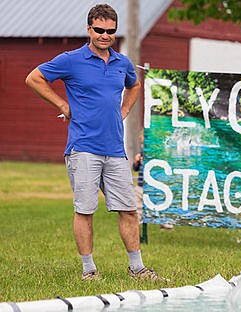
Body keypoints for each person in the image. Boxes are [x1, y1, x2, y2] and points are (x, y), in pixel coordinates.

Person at [25, 4, 166, 282]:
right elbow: (34, 78)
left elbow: (134, 85)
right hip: (83, 148)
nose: (104, 35)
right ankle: (89, 271)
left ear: (115, 31)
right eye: (99, 30)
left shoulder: (122, 63)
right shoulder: (71, 60)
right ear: (89, 29)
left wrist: (125, 110)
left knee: (127, 209)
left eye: (110, 31)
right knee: (85, 210)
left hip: (115, 149)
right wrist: (62, 103)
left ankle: (137, 268)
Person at [132, 134, 173, 230]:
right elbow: (135, 169)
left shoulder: (157, 154)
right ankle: (135, 223)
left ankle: (164, 222)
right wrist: (136, 162)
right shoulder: (140, 154)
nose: (143, 146)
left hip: (154, 186)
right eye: (142, 144)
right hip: (141, 186)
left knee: (160, 203)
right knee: (136, 205)